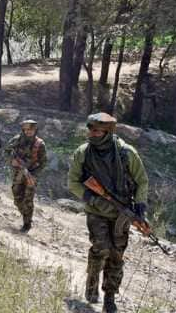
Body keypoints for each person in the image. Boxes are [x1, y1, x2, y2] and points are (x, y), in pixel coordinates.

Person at [67, 113, 149, 313]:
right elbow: (73, 183)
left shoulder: (126, 153)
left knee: (116, 255)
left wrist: (139, 209)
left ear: (107, 132)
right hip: (96, 211)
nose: (91, 133)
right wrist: (94, 200)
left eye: (96, 130)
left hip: (122, 213)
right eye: (90, 129)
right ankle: (92, 282)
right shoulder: (83, 152)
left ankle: (110, 297)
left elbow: (142, 182)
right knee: (101, 247)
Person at [4, 119, 47, 233]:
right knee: (17, 199)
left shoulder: (40, 144)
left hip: (31, 174)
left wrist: (34, 175)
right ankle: (26, 215)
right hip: (18, 174)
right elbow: (6, 152)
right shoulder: (16, 140)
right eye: (26, 129)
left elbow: (43, 163)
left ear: (35, 130)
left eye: (31, 130)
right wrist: (11, 161)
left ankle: (27, 224)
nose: (28, 132)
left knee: (28, 200)